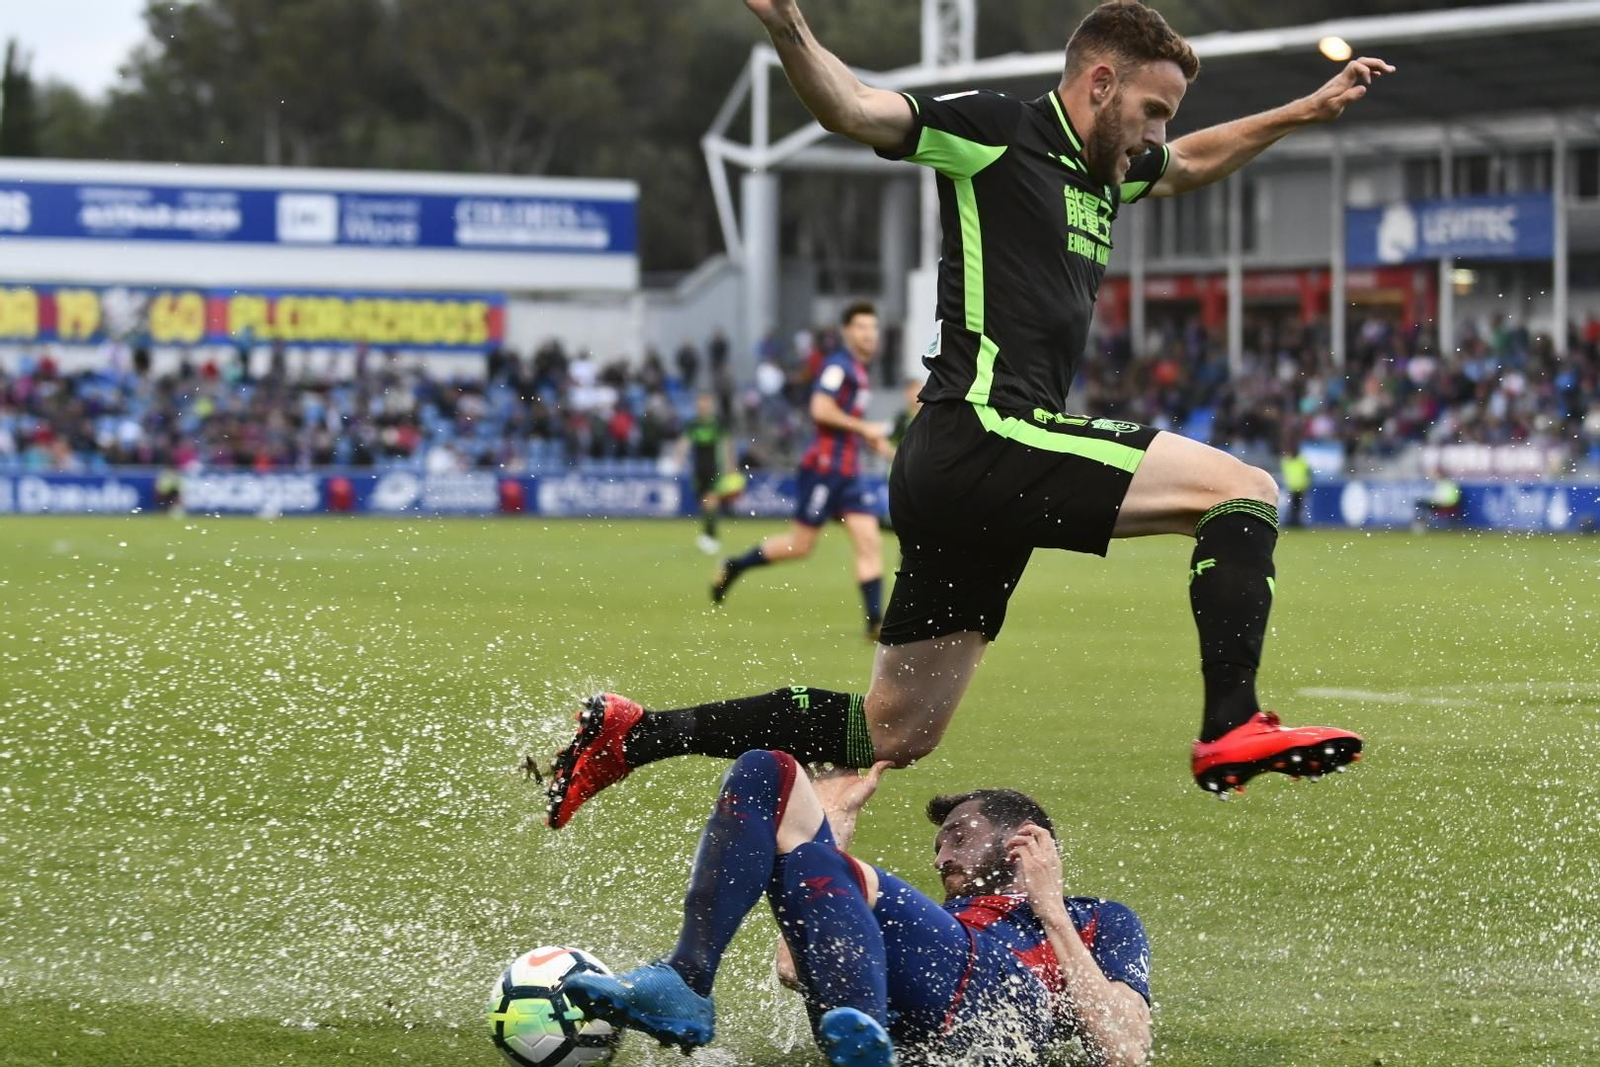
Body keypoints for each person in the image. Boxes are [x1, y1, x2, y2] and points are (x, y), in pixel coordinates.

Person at [546, 0, 1384, 829]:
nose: (1157, 136)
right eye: (1151, 111)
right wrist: (787, 27)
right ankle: (1231, 721)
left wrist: (1307, 109)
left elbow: (1195, 162)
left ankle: (633, 735)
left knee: (894, 730)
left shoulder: (1110, 174)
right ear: (1100, 82)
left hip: (965, 471)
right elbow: (854, 107)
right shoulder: (997, 132)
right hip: (984, 429)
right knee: (1242, 490)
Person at [562, 751, 1151, 1067]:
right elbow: (795, 968)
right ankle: (688, 979)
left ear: (1026, 838)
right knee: (767, 771)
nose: (942, 852)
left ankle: (863, 1026)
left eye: (959, 834)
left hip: (996, 1018)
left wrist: (1050, 908)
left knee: (823, 866)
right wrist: (837, 823)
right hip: (906, 1002)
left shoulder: (1099, 917)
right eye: (939, 841)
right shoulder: (946, 921)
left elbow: (1125, 1049)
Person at [710, 301, 893, 639]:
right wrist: (864, 428)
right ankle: (735, 565)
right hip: (823, 468)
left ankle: (875, 624)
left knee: (869, 541)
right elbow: (820, 409)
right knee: (800, 546)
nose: (870, 334)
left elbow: (846, 422)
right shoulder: (837, 367)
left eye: (874, 327)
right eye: (862, 327)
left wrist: (877, 443)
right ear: (847, 332)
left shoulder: (860, 371)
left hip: (849, 471)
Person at [680, 391, 743, 554]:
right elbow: (684, 442)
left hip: (713, 468)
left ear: (710, 406)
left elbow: (728, 443)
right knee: (704, 504)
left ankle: (711, 537)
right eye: (700, 404)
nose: (703, 407)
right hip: (698, 469)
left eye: (705, 403)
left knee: (711, 501)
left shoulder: (717, 424)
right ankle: (708, 535)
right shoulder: (693, 424)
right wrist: (679, 456)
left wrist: (731, 463)